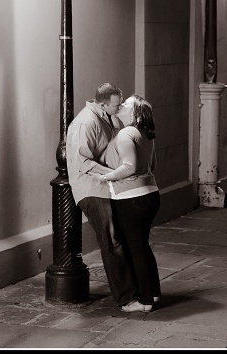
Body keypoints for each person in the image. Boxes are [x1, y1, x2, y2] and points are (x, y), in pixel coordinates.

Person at [65, 83, 138, 309]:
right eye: (117, 104)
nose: (120, 107)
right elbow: (82, 162)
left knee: (122, 237)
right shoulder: (85, 123)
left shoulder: (109, 116)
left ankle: (135, 290)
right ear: (102, 103)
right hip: (91, 188)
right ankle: (126, 299)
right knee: (112, 240)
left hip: (108, 186)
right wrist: (114, 175)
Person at [97, 94, 162, 313]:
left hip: (131, 198)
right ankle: (153, 292)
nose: (122, 105)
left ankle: (144, 301)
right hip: (151, 194)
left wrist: (105, 177)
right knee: (142, 246)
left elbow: (129, 167)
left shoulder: (125, 134)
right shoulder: (146, 134)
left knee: (135, 249)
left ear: (134, 113)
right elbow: (152, 165)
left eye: (126, 104)